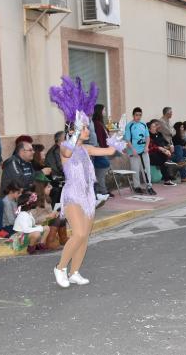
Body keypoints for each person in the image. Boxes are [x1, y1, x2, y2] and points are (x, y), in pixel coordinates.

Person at [50, 76, 124, 288]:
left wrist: (118, 134)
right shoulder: (66, 147)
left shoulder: (86, 149)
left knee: (85, 236)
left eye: (88, 126)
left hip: (88, 196)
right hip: (73, 195)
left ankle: (74, 272)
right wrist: (74, 128)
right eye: (84, 127)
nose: (88, 130)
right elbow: (67, 149)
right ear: (74, 129)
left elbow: (110, 150)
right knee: (79, 233)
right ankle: (60, 267)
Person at [124, 107, 155, 195]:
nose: (138, 117)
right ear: (133, 115)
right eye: (136, 115)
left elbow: (147, 137)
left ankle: (149, 186)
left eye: (140, 115)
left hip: (144, 151)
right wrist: (133, 150)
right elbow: (128, 140)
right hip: (134, 152)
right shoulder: (129, 126)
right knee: (135, 170)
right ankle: (137, 186)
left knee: (147, 169)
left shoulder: (143, 124)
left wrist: (146, 147)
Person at [31, 174, 66, 250]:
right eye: (48, 186)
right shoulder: (33, 201)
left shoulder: (46, 198)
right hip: (38, 225)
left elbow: (49, 212)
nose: (51, 188)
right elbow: (33, 220)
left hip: (46, 222)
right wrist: (48, 216)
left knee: (61, 217)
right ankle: (50, 242)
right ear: (41, 188)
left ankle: (63, 239)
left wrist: (54, 213)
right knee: (57, 220)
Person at [147, 120, 178, 186]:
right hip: (151, 156)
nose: (156, 127)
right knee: (161, 159)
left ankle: (170, 166)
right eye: (154, 126)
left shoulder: (159, 134)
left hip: (163, 153)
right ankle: (169, 164)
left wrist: (170, 146)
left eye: (155, 126)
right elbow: (151, 148)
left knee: (165, 158)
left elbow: (166, 142)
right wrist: (162, 149)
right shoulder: (148, 136)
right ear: (149, 129)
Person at [92, 104, 113, 196]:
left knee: (101, 172)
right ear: (99, 111)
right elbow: (99, 138)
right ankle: (102, 190)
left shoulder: (100, 123)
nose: (104, 112)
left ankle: (102, 189)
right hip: (100, 150)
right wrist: (103, 148)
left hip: (104, 149)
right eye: (104, 110)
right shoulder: (96, 123)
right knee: (101, 170)